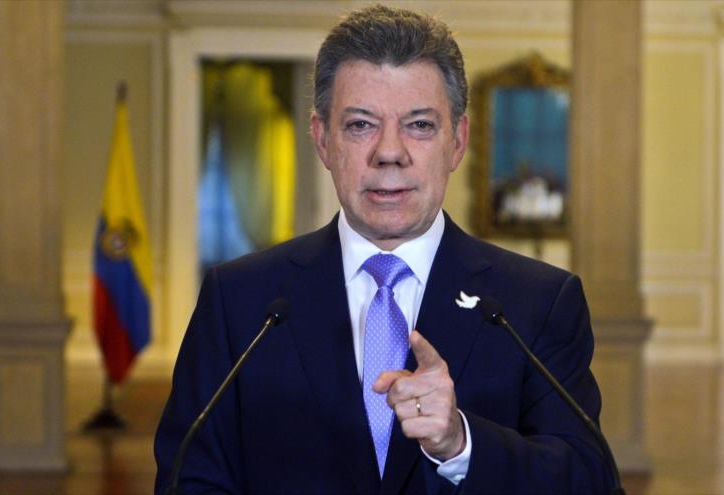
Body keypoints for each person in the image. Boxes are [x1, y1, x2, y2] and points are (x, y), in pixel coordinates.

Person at [154, 5, 613, 494]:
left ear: (458, 141)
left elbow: (588, 479)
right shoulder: (240, 300)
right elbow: (189, 479)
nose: (389, 152)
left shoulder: (538, 304)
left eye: (419, 125)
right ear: (322, 140)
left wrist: (461, 444)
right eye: (360, 125)